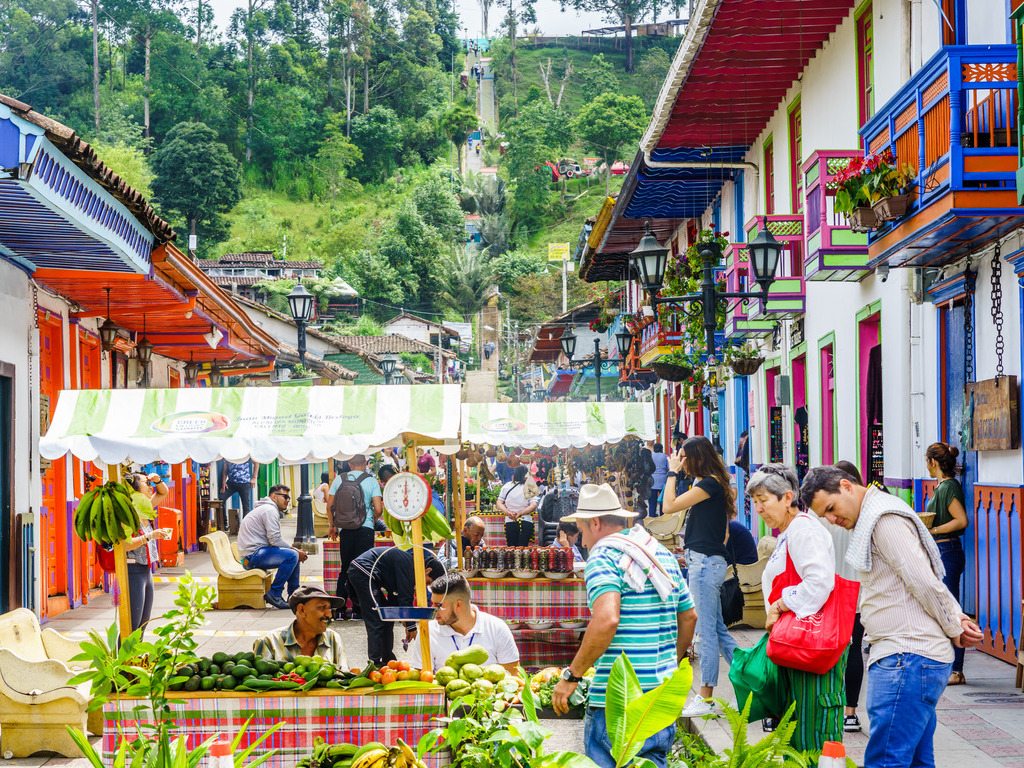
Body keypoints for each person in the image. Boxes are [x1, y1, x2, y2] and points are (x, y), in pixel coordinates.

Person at [801, 466, 983, 768]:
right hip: (909, 658)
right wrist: (954, 618)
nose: (832, 520)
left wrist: (954, 625)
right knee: (915, 762)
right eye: (825, 516)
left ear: (846, 486)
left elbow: (923, 580)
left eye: (831, 509)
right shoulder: (874, 516)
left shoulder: (883, 519)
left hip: (906, 658)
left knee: (886, 761)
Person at [551, 484, 696, 768]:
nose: (581, 539)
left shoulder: (604, 556)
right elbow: (689, 616)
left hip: (617, 704)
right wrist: (670, 662)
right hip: (658, 701)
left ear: (595, 522)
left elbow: (607, 619)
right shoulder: (660, 554)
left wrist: (572, 676)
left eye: (580, 530)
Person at [746, 464, 844, 752]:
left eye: (764, 501)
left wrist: (779, 604)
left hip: (810, 645)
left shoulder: (803, 531)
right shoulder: (789, 532)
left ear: (787, 498)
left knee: (813, 730)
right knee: (797, 728)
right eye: (755, 503)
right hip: (797, 646)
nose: (759, 509)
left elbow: (819, 581)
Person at [662, 436, 738, 716]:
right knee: (717, 629)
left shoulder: (708, 484)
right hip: (705, 561)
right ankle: (752, 678)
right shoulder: (708, 483)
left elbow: (668, 507)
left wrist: (671, 472)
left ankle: (705, 697)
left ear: (695, 458)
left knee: (705, 632)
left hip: (705, 564)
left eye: (683, 456)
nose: (680, 461)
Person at [347, 547, 446, 666]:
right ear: (427, 571)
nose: (426, 586)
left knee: (387, 619)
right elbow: (405, 597)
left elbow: (396, 599)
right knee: (375, 619)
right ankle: (375, 663)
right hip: (363, 570)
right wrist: (411, 626)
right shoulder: (409, 565)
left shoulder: (410, 565)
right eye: (429, 582)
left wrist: (405, 619)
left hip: (368, 573)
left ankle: (388, 658)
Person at [407, 572, 519, 672]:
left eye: (439, 605)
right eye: (432, 604)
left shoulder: (496, 628)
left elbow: (513, 675)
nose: (433, 610)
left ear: (458, 605)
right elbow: (421, 679)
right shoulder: (428, 632)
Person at [924, 441, 969, 685]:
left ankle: (956, 669)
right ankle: (949, 665)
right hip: (942, 551)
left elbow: (961, 520)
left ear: (933, 462)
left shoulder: (949, 487)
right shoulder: (941, 486)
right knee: (944, 608)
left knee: (951, 610)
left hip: (948, 550)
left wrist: (934, 530)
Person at [831, 460, 868, 733]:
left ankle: (830, 706)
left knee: (832, 651)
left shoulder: (824, 514)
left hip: (831, 592)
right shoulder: (865, 513)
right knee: (854, 649)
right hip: (858, 591)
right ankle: (851, 713)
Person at [328, 454, 383, 618]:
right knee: (364, 569)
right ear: (366, 464)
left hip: (346, 529)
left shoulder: (339, 479)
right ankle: (360, 608)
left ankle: (339, 608)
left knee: (345, 568)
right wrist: (371, 520)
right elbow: (378, 509)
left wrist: (333, 526)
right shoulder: (371, 481)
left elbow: (330, 505)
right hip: (365, 529)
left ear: (350, 464)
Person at [237, 484, 308, 609]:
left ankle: (294, 595)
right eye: (285, 497)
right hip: (252, 556)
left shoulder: (268, 509)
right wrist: (295, 550)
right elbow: (275, 539)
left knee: (293, 555)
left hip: (256, 553)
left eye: (289, 498)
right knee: (292, 555)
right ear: (274, 496)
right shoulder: (269, 510)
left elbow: (274, 540)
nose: (287, 500)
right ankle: (274, 593)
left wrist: (294, 551)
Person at [123, 473, 173, 633]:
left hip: (146, 571)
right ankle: (120, 657)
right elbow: (124, 545)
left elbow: (163, 492)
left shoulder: (145, 508)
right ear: (136, 489)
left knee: (143, 624)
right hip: (133, 571)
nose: (150, 486)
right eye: (146, 483)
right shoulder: (128, 515)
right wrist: (151, 535)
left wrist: (157, 480)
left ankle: (136, 658)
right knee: (132, 625)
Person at [253, 585, 348, 667]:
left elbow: (343, 676)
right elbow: (260, 681)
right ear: (301, 610)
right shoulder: (268, 642)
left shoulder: (333, 638)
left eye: (329, 609)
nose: (329, 615)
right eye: (322, 608)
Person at [497, 464, 538, 546]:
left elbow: (499, 502)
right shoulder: (530, 486)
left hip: (510, 520)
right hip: (526, 520)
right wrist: (521, 513)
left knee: (512, 548)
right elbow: (533, 505)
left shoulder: (507, 486)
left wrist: (508, 512)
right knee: (523, 549)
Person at [649, 442, 670, 518]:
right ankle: (662, 514)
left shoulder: (651, 456)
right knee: (662, 499)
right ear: (661, 449)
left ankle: (652, 514)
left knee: (652, 500)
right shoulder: (665, 456)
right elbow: (669, 467)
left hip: (652, 480)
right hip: (663, 480)